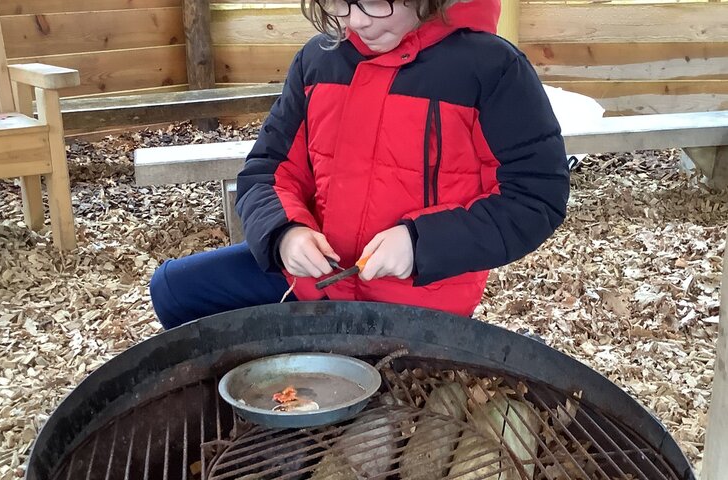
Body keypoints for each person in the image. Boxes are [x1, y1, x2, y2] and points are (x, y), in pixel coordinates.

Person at [149, 0, 570, 329]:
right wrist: (284, 234)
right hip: (316, 283)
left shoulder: (491, 68)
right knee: (172, 290)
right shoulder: (318, 59)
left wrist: (420, 244)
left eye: (372, 3)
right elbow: (266, 170)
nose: (355, 21)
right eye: (338, 4)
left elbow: (535, 198)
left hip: (419, 304)